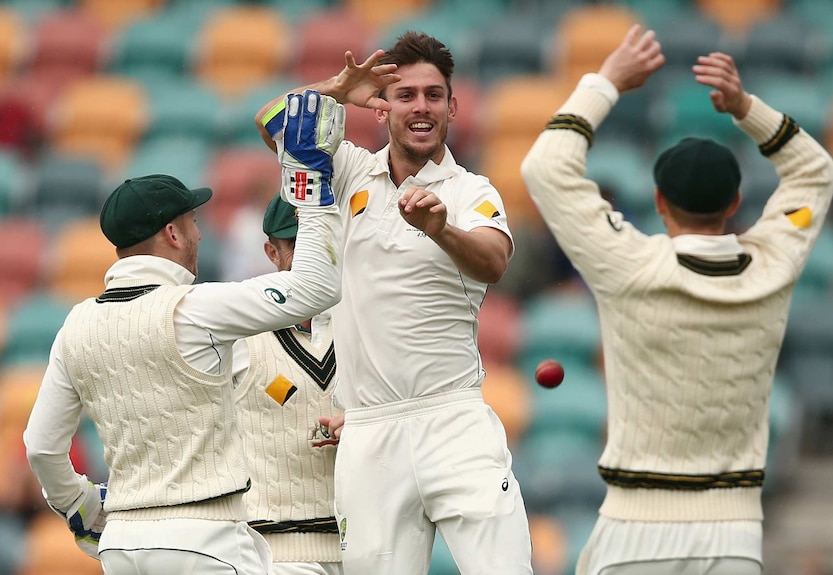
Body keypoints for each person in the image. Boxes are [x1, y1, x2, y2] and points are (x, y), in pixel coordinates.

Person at [520, 25, 833, 575]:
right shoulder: (774, 263)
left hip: (634, 537)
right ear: (737, 201)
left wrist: (608, 82)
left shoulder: (628, 264)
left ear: (659, 201)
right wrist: (745, 108)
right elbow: (816, 174)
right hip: (734, 540)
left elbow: (544, 166)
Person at [23, 90, 347, 574]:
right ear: (172, 234)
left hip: (122, 547)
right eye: (192, 222)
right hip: (205, 539)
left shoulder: (76, 323)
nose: (199, 235)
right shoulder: (198, 308)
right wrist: (308, 173)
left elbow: (41, 448)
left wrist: (84, 507)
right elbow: (316, 287)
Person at [255, 33, 533, 575]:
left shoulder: (469, 190)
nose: (421, 107)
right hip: (369, 432)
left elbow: (494, 262)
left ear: (452, 107)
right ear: (384, 109)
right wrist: (336, 90)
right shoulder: (350, 171)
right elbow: (272, 124)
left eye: (434, 95)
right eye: (406, 95)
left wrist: (440, 229)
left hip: (453, 418)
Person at [232, 192, 343, 575]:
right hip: (276, 554)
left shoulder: (370, 323)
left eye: (318, 241)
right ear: (271, 252)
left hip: (373, 544)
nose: (309, 256)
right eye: (296, 244)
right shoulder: (238, 332)